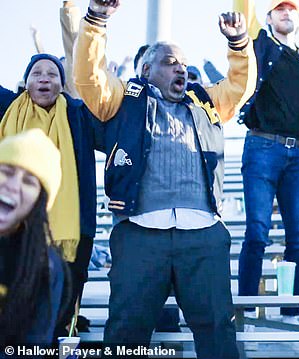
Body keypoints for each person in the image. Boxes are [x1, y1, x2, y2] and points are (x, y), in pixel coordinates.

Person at [73, 0, 256, 357]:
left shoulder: (205, 101)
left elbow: (240, 86)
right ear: (145, 69)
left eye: (185, 64)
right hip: (140, 232)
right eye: (171, 62)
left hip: (203, 233)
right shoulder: (123, 99)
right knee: (126, 329)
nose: (181, 70)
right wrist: (96, 21)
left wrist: (238, 44)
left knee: (218, 328)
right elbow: (89, 76)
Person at [234, 0, 299, 324]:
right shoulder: (260, 44)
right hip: (262, 147)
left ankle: (290, 312)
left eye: (291, 9)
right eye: (279, 9)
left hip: (298, 158)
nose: (286, 13)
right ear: (267, 18)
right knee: (257, 232)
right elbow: (243, 10)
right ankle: (248, 308)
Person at [0, 52, 102, 339]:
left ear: (62, 83)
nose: (44, 78)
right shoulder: (7, 106)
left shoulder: (78, 112)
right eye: (37, 73)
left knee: (62, 317)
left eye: (52, 74)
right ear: (25, 81)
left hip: (71, 227)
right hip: (13, 225)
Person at [0, 129, 67, 348]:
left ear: (38, 204)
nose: (13, 185)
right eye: (7, 171)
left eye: (29, 182)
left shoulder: (45, 266)